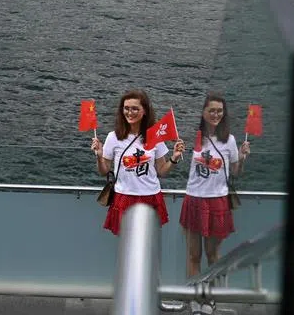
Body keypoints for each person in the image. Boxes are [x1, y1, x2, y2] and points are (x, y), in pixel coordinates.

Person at [179, 94, 250, 314]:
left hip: (217, 201)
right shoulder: (194, 137)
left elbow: (235, 172)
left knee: (212, 255)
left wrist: (242, 157)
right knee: (193, 255)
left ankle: (209, 298)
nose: (216, 114)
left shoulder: (228, 140)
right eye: (212, 110)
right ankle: (194, 298)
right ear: (203, 112)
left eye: (220, 111)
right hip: (194, 198)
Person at [90, 89, 185, 235]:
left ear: (145, 111)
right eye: (126, 108)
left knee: (146, 241)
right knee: (127, 243)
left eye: (135, 108)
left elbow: (161, 170)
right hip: (124, 196)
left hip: (151, 196)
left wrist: (175, 158)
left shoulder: (155, 136)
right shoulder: (113, 137)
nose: (130, 112)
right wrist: (99, 156)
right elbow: (104, 171)